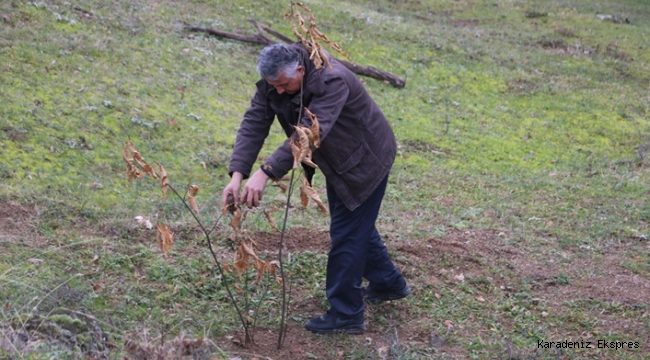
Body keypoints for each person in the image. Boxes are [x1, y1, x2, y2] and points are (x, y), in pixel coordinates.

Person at [222, 42, 410, 334]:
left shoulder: (331, 80)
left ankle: (347, 315)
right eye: (274, 86)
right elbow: (255, 122)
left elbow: (308, 133)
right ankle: (388, 282)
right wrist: (237, 175)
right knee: (353, 224)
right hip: (338, 158)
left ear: (299, 69)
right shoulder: (277, 82)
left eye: (284, 84)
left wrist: (266, 172)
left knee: (347, 235)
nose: (279, 91)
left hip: (365, 157)